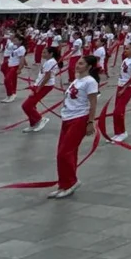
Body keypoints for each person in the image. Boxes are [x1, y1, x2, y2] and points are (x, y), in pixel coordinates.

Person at [49, 55, 100, 199]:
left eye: (81, 64)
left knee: (65, 153)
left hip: (79, 119)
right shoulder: (77, 80)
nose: (77, 65)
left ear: (89, 67)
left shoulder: (90, 82)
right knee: (63, 153)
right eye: (78, 63)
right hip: (67, 118)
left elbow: (93, 103)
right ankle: (63, 184)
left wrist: (90, 122)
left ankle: (71, 182)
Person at [22, 47, 61, 133]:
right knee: (31, 105)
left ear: (51, 54)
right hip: (39, 85)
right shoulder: (48, 61)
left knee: (26, 105)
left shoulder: (50, 62)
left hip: (45, 86)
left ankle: (40, 119)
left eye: (44, 52)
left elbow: (47, 77)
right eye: (42, 52)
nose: (42, 54)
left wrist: (38, 89)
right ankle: (33, 123)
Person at [111, 41, 131, 143]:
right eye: (125, 48)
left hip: (128, 87)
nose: (125, 50)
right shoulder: (126, 59)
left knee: (118, 111)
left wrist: (124, 88)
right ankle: (117, 132)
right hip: (120, 85)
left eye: (127, 48)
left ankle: (122, 132)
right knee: (116, 110)